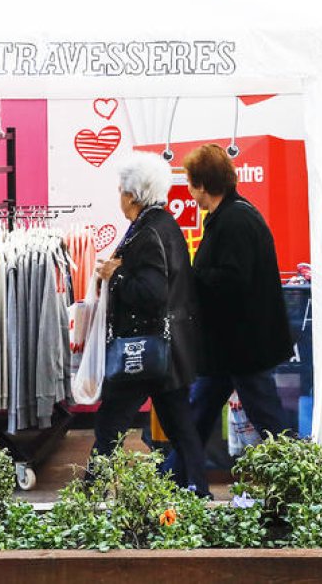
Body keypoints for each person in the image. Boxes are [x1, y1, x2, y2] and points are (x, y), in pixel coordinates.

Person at [93, 152, 209, 496]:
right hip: (167, 351)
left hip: (142, 349)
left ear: (133, 195)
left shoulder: (147, 233)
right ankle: (199, 491)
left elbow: (152, 293)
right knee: (181, 427)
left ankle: (88, 496)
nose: (119, 196)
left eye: (121, 190)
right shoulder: (164, 225)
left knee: (110, 425)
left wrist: (115, 275)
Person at [182, 143, 292, 446]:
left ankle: (300, 471)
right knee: (198, 416)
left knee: (269, 423)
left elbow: (232, 282)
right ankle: (176, 471)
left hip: (243, 348)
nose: (189, 191)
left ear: (202, 185)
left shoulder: (234, 221)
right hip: (231, 348)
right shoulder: (231, 216)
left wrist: (191, 276)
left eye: (190, 183)